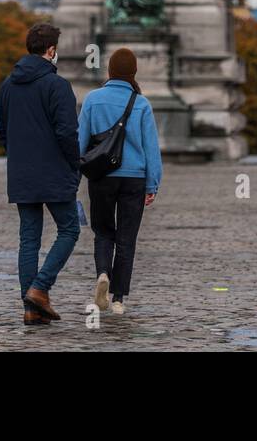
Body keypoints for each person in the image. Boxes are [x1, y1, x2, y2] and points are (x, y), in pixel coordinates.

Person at [0, 22, 80, 326]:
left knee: (28, 238)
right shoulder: (58, 86)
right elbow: (68, 132)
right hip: (55, 170)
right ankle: (40, 289)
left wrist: (20, 156)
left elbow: (2, 131)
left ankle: (30, 307)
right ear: (52, 50)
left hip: (22, 172)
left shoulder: (8, 85)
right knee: (70, 230)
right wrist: (75, 164)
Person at [78, 48, 162, 316]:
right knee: (127, 239)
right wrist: (152, 185)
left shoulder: (93, 99)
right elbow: (152, 149)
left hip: (102, 176)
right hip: (134, 178)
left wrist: (75, 172)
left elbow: (80, 142)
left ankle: (103, 272)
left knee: (103, 232)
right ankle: (118, 299)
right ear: (133, 72)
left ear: (110, 71)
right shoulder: (141, 103)